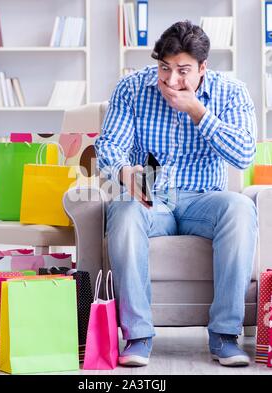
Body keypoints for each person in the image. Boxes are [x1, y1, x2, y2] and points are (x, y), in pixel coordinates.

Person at [94, 20, 258, 368]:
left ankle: (225, 336)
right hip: (152, 200)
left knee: (241, 208)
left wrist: (198, 112)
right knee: (123, 210)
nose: (171, 81)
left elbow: (244, 154)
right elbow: (108, 147)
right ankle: (138, 335)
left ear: (203, 68)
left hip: (205, 199)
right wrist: (124, 171)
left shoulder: (231, 93)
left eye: (183, 71)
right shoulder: (132, 89)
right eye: (164, 69)